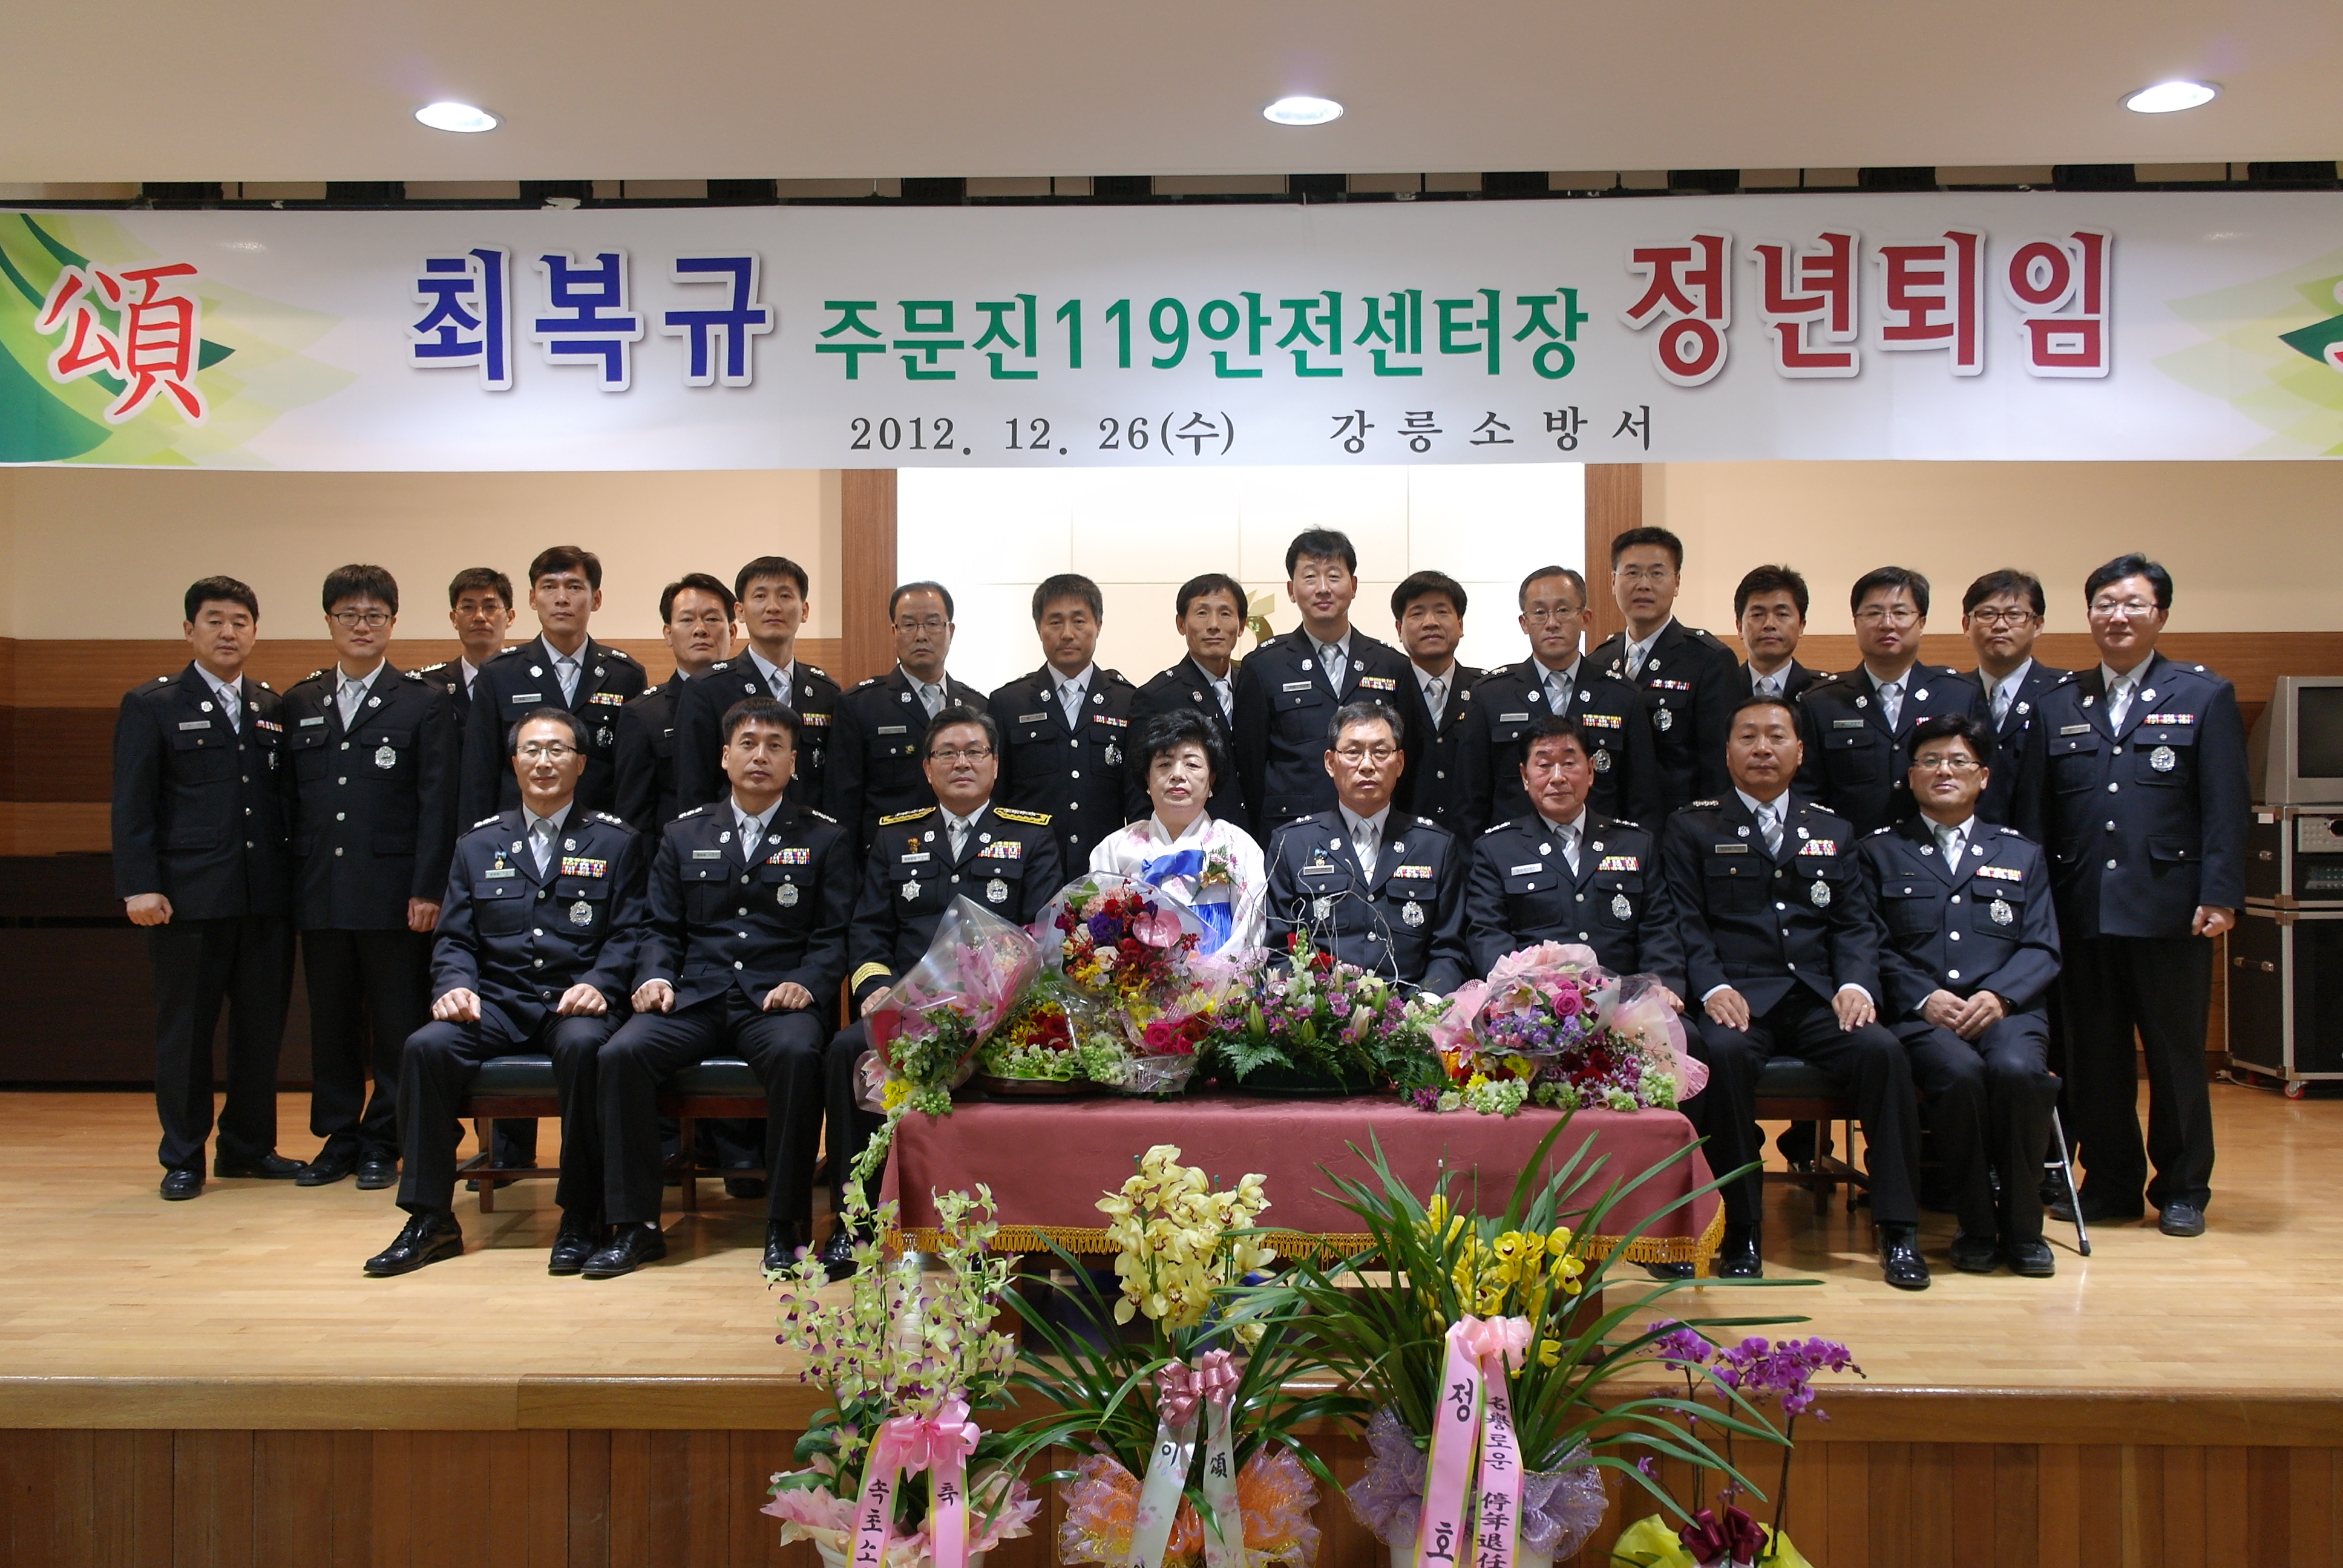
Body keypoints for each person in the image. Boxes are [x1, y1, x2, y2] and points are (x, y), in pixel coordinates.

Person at [362, 708, 646, 1277]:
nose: (544, 762)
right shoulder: (478, 844)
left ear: (581, 764)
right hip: (497, 1002)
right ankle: (430, 1218)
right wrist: (455, 987)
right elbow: (454, 938)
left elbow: (631, 933)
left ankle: (581, 1215)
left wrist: (600, 983)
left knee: (586, 1047)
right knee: (426, 1047)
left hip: (574, 1001)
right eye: (532, 750)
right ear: (514, 763)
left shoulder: (617, 842)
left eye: (558, 750)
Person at [1662, 694, 1928, 1290]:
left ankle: (1898, 1228)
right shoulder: (1692, 827)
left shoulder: (1832, 829)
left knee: (1884, 1053)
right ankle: (1741, 1229)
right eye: (1748, 737)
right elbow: (1686, 923)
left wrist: (1855, 984)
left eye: (1776, 736)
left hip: (1817, 999)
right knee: (1722, 1057)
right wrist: (1713, 986)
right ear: (1727, 751)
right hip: (1738, 1000)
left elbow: (1855, 924)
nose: (1763, 748)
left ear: (1800, 751)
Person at [2019, 554, 2247, 1238]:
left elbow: (2225, 807)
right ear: (2088, 615)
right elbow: (2036, 819)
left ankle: (2181, 1187)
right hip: (2081, 908)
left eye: (2132, 604)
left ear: (2160, 615)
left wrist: (2220, 893)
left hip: (2170, 909)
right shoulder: (2059, 702)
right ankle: (2111, 1182)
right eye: (2104, 605)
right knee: (2095, 1057)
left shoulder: (2203, 694)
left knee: (2176, 1057)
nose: (2117, 617)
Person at [585, 699, 855, 1278]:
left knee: (798, 1055)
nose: (761, 756)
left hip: (777, 999)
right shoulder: (683, 833)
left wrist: (806, 983)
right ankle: (636, 1226)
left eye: (776, 746)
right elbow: (660, 927)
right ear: (725, 756)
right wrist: (654, 976)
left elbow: (834, 936)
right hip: (695, 995)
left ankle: (785, 1225)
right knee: (621, 1053)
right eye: (749, 744)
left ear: (794, 762)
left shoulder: (825, 837)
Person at [820, 707, 1064, 1279]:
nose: (962, 763)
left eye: (975, 751)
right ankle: (854, 1226)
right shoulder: (894, 837)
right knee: (844, 1051)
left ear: (995, 764)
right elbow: (869, 930)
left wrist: (995, 1003)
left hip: (996, 1014)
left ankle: (1010, 1224)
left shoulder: (1030, 835)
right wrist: (876, 988)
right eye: (948, 753)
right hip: (907, 1011)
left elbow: (1043, 936)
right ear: (927, 769)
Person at [113, 576, 301, 1200]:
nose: (228, 632)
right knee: (186, 1034)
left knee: (259, 1032)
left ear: (255, 632)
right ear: (189, 630)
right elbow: (133, 805)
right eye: (215, 620)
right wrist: (139, 886)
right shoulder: (153, 704)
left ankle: (248, 1147)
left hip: (263, 899)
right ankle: (182, 1156)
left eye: (240, 622)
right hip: (188, 901)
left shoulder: (270, 706)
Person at [1857, 714, 2063, 1277]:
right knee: (1960, 1074)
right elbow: (1870, 943)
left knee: (2019, 1073)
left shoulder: (2020, 853)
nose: (1943, 771)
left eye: (1958, 761)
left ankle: (2023, 1229)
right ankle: (1976, 1225)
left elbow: (2042, 947)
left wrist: (2000, 997)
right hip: (1923, 1015)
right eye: (1930, 761)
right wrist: (1923, 997)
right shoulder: (1880, 852)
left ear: (1984, 776)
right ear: (1911, 776)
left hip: (2008, 1012)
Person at [280, 564, 456, 1191]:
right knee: (331, 1024)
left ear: (392, 623)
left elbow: (438, 804)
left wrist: (428, 888)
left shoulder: (423, 701)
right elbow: (287, 806)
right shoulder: (300, 701)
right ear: (329, 621)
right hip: (321, 892)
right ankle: (338, 1138)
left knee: (396, 1021)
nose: (362, 626)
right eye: (349, 615)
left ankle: (385, 1138)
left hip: (394, 895)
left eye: (374, 615)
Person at [1463, 714, 1684, 991]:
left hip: (1627, 1000)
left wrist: (1663, 986)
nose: (1558, 778)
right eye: (1544, 765)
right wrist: (1523, 992)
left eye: (1569, 764)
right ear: (1525, 777)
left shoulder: (1636, 845)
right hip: (1535, 1002)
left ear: (1591, 771)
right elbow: (1488, 935)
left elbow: (1659, 930)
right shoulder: (1497, 850)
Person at [1231, 529, 1428, 831]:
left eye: (1334, 576)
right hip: (1292, 831)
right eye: (1310, 577)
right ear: (1291, 590)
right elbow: (1250, 766)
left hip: (1376, 827)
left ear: (1354, 586)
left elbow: (1410, 757)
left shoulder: (1392, 665)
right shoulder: (1263, 666)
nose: (1323, 588)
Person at [1265, 702, 1466, 991]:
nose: (1367, 765)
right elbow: (1278, 950)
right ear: (1330, 763)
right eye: (1353, 752)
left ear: (1400, 763)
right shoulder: (1292, 845)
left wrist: (1426, 1003)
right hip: (1323, 1009)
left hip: (1413, 1008)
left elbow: (1449, 950)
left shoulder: (1436, 847)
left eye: (1381, 752)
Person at [1458, 566, 1657, 837]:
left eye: (1563, 610)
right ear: (1524, 623)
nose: (1552, 623)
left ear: (1585, 618)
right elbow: (1471, 800)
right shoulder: (1490, 695)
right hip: (1514, 854)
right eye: (1539, 612)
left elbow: (1642, 800)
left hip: (1599, 851)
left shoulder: (1622, 695)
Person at [1794, 567, 1991, 837]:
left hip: (1942, 851)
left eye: (1900, 613)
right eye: (1874, 613)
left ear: (1921, 623)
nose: (1887, 624)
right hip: (1854, 852)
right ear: (1856, 623)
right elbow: (1808, 796)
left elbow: (1987, 787)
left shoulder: (1960, 694)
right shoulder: (1821, 702)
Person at [458, 546, 646, 824]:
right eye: (549, 587)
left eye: (574, 587)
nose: (561, 599)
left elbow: (633, 777)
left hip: (600, 834)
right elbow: (479, 774)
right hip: (518, 832)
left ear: (596, 599)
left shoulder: (625, 675)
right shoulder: (499, 673)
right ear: (532, 599)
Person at [989, 572, 1146, 867]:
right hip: (1029, 867)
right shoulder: (1008, 703)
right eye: (1055, 622)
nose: (1067, 634)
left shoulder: (1128, 702)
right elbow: (996, 799)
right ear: (1039, 628)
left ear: (1098, 625)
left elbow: (1138, 800)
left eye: (1079, 621)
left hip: (1105, 867)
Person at [824, 581, 985, 859]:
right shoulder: (860, 705)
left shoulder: (978, 706)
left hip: (965, 860)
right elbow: (842, 805)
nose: (921, 635)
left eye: (933, 624)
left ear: (950, 631)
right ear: (894, 632)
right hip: (888, 863)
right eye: (909, 625)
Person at [1090, 707, 1267, 956]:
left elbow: (1249, 934)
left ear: (1211, 779)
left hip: (1221, 979)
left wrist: (1211, 977)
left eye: (1192, 764)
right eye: (1165, 764)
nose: (1177, 775)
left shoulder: (1238, 846)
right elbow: (1097, 932)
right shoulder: (1114, 849)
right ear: (1147, 779)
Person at [676, 555, 844, 813]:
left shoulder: (826, 691)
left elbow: (835, 785)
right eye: (760, 596)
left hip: (811, 834)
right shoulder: (707, 688)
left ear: (804, 610)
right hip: (732, 834)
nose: (773, 607)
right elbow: (694, 788)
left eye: (785, 596)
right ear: (740, 612)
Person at [1588, 526, 1737, 812]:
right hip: (1608, 825)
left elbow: (1718, 766)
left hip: (1679, 823)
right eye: (1632, 573)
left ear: (1677, 582)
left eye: (1657, 574)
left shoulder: (1708, 660)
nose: (1644, 585)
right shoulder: (1598, 662)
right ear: (1613, 582)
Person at [614, 573, 738, 834]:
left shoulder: (752, 707)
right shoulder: (643, 714)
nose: (700, 629)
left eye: (712, 619)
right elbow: (635, 818)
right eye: (687, 620)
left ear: (733, 631)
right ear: (668, 633)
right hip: (674, 852)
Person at [1132, 572, 1251, 834]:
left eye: (1225, 614)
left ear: (1242, 625)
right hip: (1188, 843)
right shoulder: (1157, 696)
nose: (1214, 625)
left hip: (1254, 839)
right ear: (1181, 624)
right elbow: (1140, 792)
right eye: (1202, 613)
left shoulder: (1255, 685)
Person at [1963, 568, 2071, 828]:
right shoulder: (1953, 693)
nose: (2000, 625)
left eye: (2014, 615)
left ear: (2038, 625)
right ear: (1967, 625)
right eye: (1987, 614)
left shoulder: (2066, 694)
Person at [1391, 570, 1481, 839]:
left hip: (1472, 843)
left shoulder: (1485, 691)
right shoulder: (1385, 694)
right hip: (1399, 841)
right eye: (1417, 613)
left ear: (1460, 625)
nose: (1430, 623)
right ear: (1399, 629)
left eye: (1442, 612)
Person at [418, 566, 517, 765]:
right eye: (468, 607)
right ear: (454, 619)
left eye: (490, 607)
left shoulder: (527, 681)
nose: (479, 616)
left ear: (510, 617)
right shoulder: (429, 685)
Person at [1734, 565, 1828, 701]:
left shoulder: (1825, 692)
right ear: (1739, 627)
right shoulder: (1721, 690)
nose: (1769, 624)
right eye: (1758, 615)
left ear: (1801, 626)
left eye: (1782, 614)